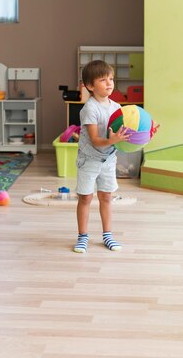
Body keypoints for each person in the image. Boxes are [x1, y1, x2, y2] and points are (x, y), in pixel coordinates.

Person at [73, 60, 130, 253]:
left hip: (108, 159)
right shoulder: (90, 109)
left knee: (106, 196)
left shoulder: (116, 107)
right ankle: (82, 237)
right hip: (89, 159)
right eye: (103, 80)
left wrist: (145, 132)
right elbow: (96, 139)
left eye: (111, 79)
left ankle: (107, 235)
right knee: (85, 198)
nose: (109, 83)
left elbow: (124, 132)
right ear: (90, 86)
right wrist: (113, 140)